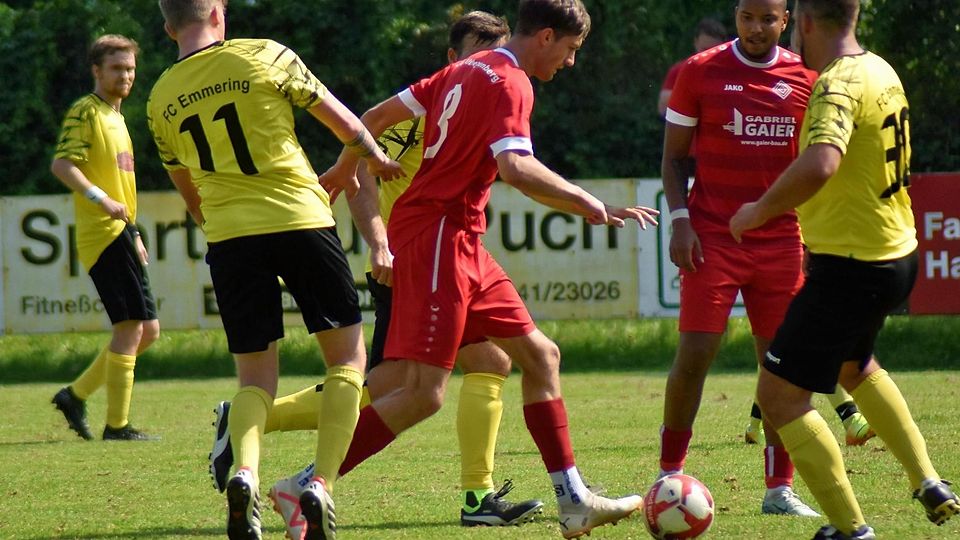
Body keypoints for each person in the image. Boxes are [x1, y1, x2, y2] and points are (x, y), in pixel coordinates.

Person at [280, 1, 658, 538]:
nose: (571, 63)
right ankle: (306, 484)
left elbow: (373, 119)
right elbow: (516, 167)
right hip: (436, 236)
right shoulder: (512, 83)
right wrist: (587, 202)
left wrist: (344, 168)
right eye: (571, 50)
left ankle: (573, 500)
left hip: (458, 239)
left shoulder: (461, 68)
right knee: (422, 392)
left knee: (539, 355)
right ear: (546, 36)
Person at [205, 12, 545, 539]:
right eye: (480, 51)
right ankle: (263, 428)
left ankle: (476, 494)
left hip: (441, 257)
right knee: (395, 383)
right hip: (410, 260)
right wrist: (380, 241)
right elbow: (362, 167)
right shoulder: (423, 108)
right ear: (454, 58)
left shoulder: (486, 95)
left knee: (485, 362)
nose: (492, 61)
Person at [147, 1, 402, 539]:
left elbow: (189, 194)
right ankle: (321, 485)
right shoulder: (266, 55)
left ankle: (245, 472)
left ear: (169, 27)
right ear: (218, 11)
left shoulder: (159, 98)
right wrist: (372, 155)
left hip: (230, 238)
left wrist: (222, 227)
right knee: (348, 363)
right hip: (300, 221)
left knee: (255, 379)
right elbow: (347, 125)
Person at [729, 0, 960, 538]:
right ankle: (928, 481)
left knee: (780, 398)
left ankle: (849, 529)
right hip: (895, 253)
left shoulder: (836, 84)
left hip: (851, 266)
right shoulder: (880, 68)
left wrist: (760, 209)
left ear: (804, 21)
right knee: (855, 368)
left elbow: (823, 160)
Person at [659, 0, 827, 518]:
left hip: (780, 241)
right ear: (736, 16)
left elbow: (817, 165)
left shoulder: (809, 79)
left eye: (768, 19)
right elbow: (673, 157)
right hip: (712, 237)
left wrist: (816, 242)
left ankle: (779, 489)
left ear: (786, 20)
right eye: (747, 17)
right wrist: (681, 220)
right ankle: (668, 476)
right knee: (695, 355)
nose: (757, 28)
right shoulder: (700, 71)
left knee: (781, 368)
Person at [50, 34, 159, 442]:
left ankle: (74, 395)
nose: (125, 75)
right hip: (103, 232)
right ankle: (117, 426)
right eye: (116, 67)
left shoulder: (117, 117)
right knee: (131, 328)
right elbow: (62, 165)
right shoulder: (86, 111)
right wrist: (101, 199)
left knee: (147, 332)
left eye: (130, 68)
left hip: (121, 232)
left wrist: (133, 233)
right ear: (97, 71)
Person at [657, 17, 727, 119]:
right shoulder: (680, 70)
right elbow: (663, 108)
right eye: (704, 49)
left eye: (714, 51)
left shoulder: (731, 72)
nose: (708, 55)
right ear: (695, 42)